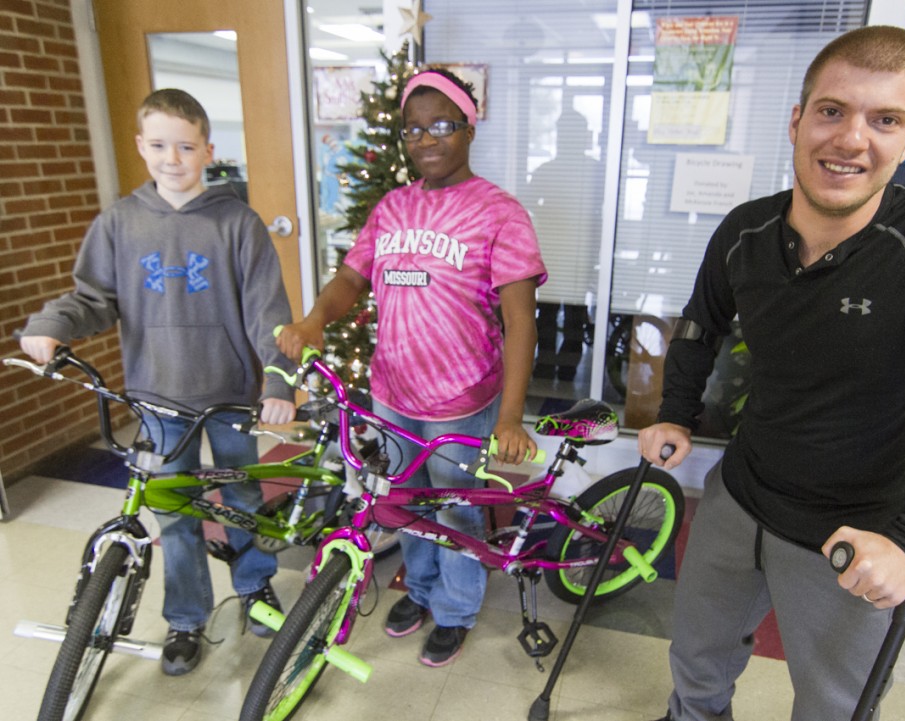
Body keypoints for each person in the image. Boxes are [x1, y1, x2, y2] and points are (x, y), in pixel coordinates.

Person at [637, 26, 905, 721]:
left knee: (835, 704)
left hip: (861, 529)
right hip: (743, 495)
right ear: (797, 119)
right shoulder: (745, 232)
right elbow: (700, 323)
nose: (851, 139)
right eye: (832, 110)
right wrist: (676, 411)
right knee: (696, 659)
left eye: (885, 120)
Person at [18, 88, 296, 677]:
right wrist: (50, 326)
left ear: (207, 150)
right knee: (176, 513)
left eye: (187, 146)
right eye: (160, 145)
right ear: (141, 145)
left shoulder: (236, 223)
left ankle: (254, 589)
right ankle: (187, 618)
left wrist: (279, 383)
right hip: (156, 399)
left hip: (230, 397)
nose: (173, 158)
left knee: (243, 498)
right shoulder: (119, 223)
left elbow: (266, 310)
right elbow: (94, 299)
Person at [276, 68, 547, 667]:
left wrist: (510, 416)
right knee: (405, 502)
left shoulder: (499, 213)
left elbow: (521, 323)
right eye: (413, 129)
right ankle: (421, 591)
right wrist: (317, 318)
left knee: (454, 508)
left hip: (462, 400)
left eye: (442, 125)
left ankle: (455, 609)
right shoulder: (392, 208)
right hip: (393, 393)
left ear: (469, 129)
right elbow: (352, 277)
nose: (426, 139)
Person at [522, 108, 603, 383]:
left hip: (577, 252)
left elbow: (601, 212)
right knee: (548, 313)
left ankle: (563, 368)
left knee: (572, 316)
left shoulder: (593, 170)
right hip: (553, 252)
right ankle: (549, 366)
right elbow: (528, 203)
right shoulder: (549, 170)